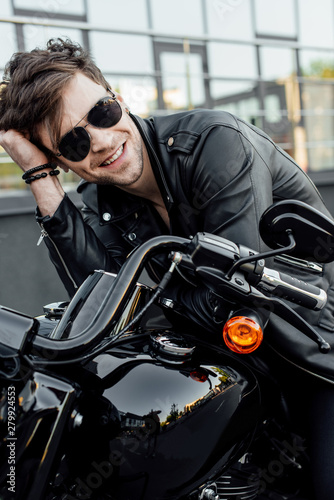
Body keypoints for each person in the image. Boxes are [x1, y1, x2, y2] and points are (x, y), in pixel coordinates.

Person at [0, 38, 333, 498]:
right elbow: (105, 308)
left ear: (116, 97)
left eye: (100, 114)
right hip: (223, 370)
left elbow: (231, 296)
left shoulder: (217, 143)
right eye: (72, 144)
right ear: (63, 163)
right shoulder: (101, 201)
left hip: (307, 353)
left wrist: (158, 299)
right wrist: (40, 177)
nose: (99, 142)